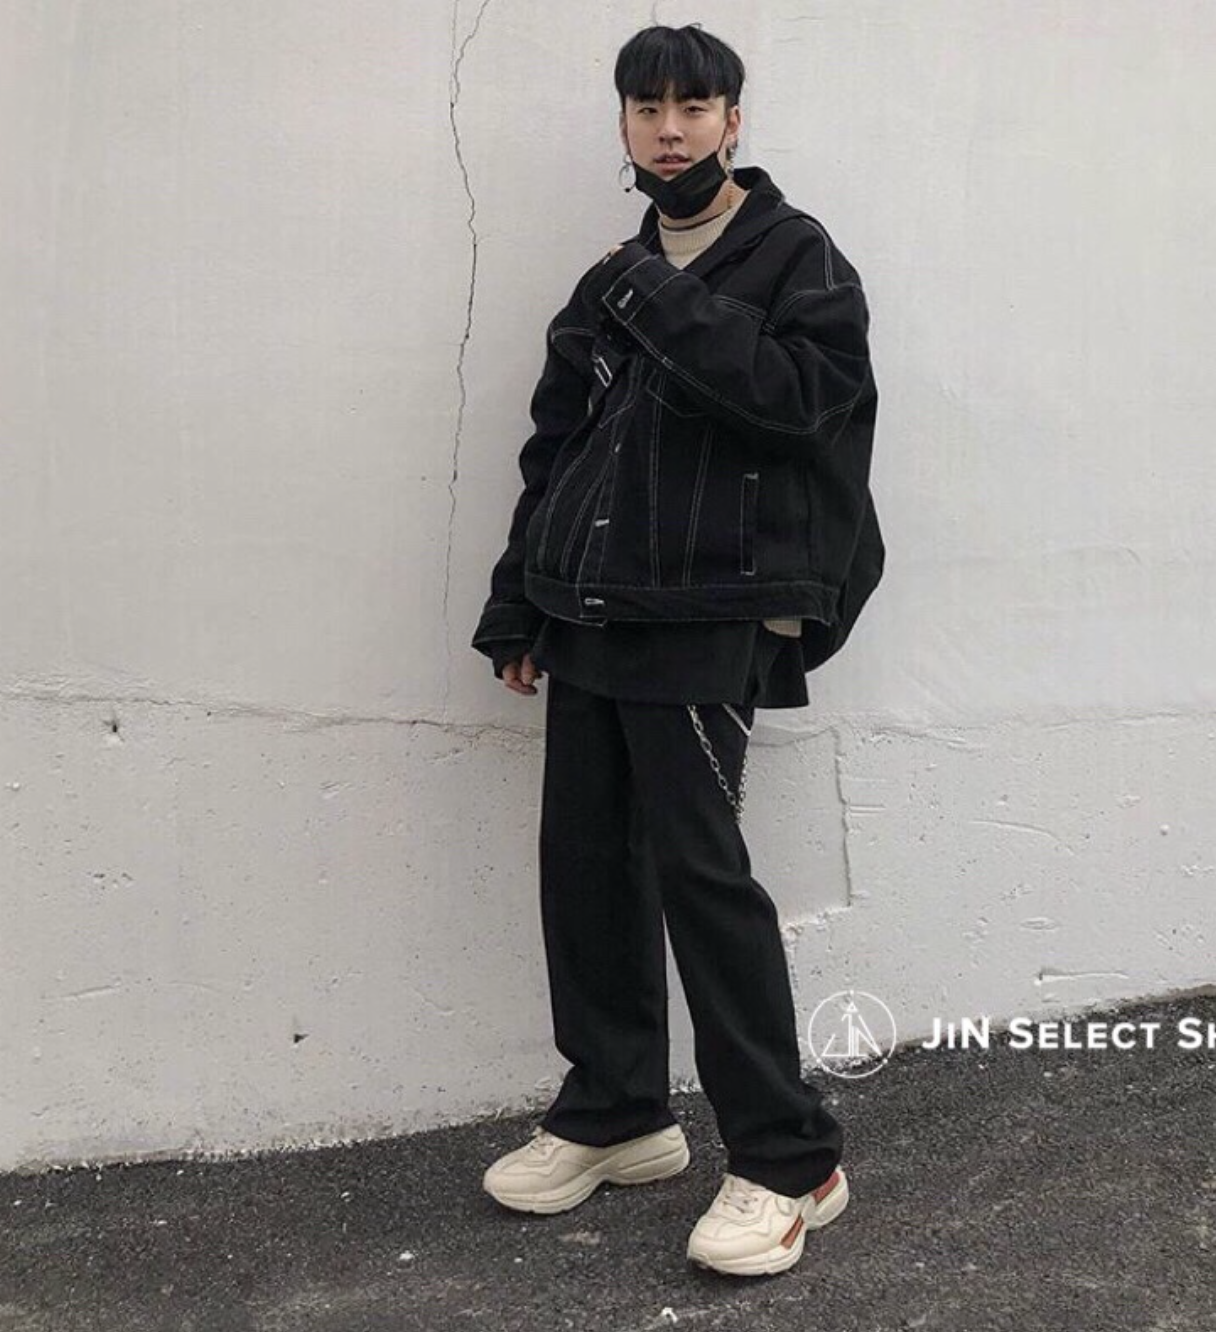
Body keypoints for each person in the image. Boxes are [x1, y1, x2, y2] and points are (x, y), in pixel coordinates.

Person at [470, 23, 883, 1277]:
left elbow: (801, 404)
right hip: (593, 608)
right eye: (646, 108)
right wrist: (518, 602)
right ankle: (617, 1114)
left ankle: (791, 1159)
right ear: (623, 124)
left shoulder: (793, 255)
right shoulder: (610, 277)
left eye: (693, 107)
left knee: (703, 881)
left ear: (731, 121)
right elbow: (559, 448)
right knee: (586, 867)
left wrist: (653, 294)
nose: (668, 128)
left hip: (709, 610)